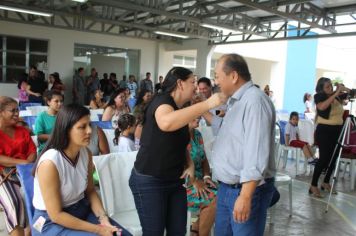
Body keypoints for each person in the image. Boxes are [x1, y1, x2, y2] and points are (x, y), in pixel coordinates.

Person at [129, 67, 226, 235]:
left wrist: (188, 163)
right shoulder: (162, 102)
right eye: (192, 83)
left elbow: (178, 142)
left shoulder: (179, 108)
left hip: (174, 180)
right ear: (180, 84)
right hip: (150, 180)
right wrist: (208, 104)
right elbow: (166, 123)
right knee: (154, 232)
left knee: (178, 231)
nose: (195, 87)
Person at [31, 104, 130, 235]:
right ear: (66, 130)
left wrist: (103, 219)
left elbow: (90, 191)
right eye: (82, 127)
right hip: (50, 221)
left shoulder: (86, 153)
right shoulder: (50, 163)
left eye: (89, 125)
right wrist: (99, 229)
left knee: (122, 234)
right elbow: (56, 215)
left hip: (80, 209)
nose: (90, 131)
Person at [212, 54, 276, 236]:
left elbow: (255, 152)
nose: (216, 82)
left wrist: (245, 196)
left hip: (244, 190)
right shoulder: (236, 101)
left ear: (233, 76)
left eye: (217, 76)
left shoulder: (255, 101)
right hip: (227, 188)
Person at [0, 96, 37, 235]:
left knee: (36, 199)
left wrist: (27, 164)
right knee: (14, 202)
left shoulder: (22, 131)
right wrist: (23, 163)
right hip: (3, 173)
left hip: (26, 172)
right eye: (12, 111)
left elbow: (32, 151)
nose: (17, 114)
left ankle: (29, 231)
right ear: (0, 112)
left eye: (18, 110)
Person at [309, 77, 351, 198]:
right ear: (321, 88)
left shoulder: (336, 96)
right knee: (324, 159)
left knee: (334, 158)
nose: (330, 88)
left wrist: (342, 89)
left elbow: (352, 94)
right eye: (327, 87)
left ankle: (326, 182)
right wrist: (336, 93)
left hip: (337, 131)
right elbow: (322, 107)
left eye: (331, 86)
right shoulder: (319, 96)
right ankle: (313, 185)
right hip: (324, 131)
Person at [186, 117, 216, 236]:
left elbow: (204, 160)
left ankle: (196, 228)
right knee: (214, 200)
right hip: (184, 185)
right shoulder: (177, 137)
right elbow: (176, 167)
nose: (198, 117)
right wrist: (194, 182)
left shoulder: (197, 134)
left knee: (225, 194)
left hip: (200, 181)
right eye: (194, 114)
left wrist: (207, 177)